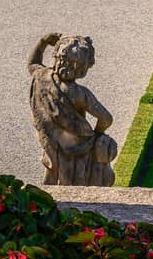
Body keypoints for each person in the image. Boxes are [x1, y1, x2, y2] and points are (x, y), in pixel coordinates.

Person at [28, 33, 117, 186]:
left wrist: (42, 41)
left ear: (56, 56)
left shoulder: (42, 77)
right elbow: (106, 119)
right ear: (83, 67)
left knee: (52, 176)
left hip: (52, 143)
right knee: (78, 181)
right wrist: (97, 134)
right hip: (81, 147)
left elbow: (33, 63)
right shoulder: (80, 93)